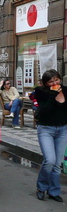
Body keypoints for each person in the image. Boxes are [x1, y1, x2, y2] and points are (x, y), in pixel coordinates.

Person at [32, 69, 67, 202]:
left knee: (57, 163)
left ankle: (54, 191)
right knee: (50, 160)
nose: (54, 83)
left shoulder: (65, 90)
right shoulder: (40, 92)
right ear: (45, 83)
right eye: (50, 81)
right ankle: (41, 187)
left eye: (56, 80)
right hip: (46, 129)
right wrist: (53, 95)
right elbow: (44, 111)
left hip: (63, 129)